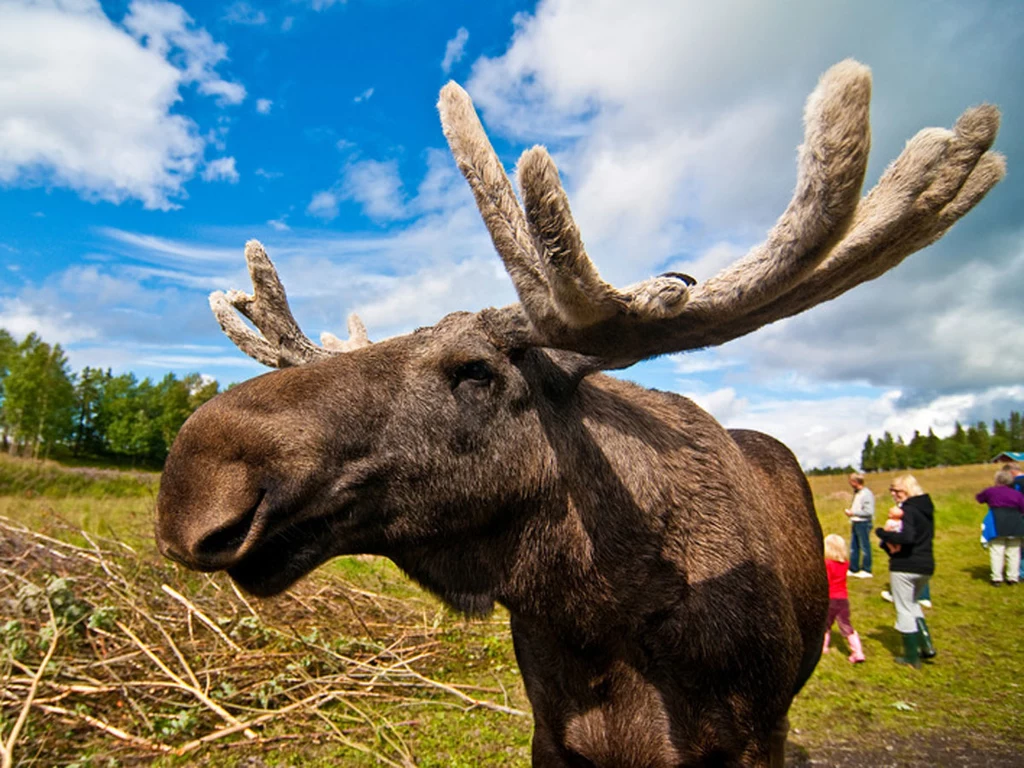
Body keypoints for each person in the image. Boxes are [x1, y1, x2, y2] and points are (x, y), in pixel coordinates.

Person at [875, 475, 936, 668]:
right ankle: (926, 646)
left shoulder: (907, 510)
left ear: (907, 490)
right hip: (926, 564)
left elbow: (908, 537)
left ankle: (911, 656)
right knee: (912, 604)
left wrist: (882, 534)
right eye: (891, 490)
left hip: (905, 565)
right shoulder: (925, 509)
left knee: (903, 609)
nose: (893, 495)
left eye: (897, 491)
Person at [975, 466, 1024, 586]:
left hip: (996, 522)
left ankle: (997, 578)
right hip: (1015, 523)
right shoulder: (1016, 494)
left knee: (997, 551)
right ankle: (1013, 577)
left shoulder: (991, 491)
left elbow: (979, 498)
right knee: (1014, 551)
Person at [822, 534, 866, 663]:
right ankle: (858, 652)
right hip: (843, 599)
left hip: (830, 598)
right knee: (846, 626)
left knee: (825, 625)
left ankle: (823, 647)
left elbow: (827, 581)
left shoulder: (827, 564)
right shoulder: (845, 563)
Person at [844, 472, 875, 578]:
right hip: (856, 522)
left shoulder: (866, 494)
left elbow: (869, 511)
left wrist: (854, 513)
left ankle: (867, 569)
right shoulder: (857, 493)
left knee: (865, 546)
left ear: (855, 482)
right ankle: (854, 568)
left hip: (863, 523)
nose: (850, 484)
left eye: (851, 482)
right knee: (854, 546)